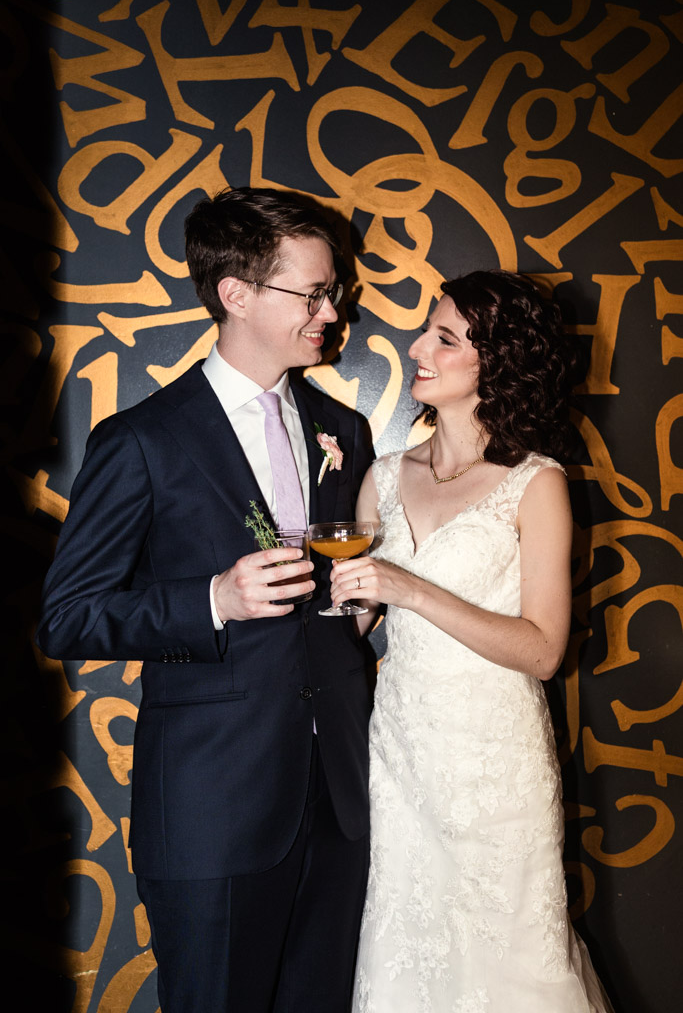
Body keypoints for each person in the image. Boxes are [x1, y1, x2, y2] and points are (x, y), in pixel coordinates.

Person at [36, 187, 375, 1013]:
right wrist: (212, 599)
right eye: (314, 292)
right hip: (212, 808)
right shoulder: (143, 439)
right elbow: (68, 615)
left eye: (331, 293)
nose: (332, 311)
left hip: (342, 800)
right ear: (237, 294)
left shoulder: (346, 429)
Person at [330, 270, 613, 1012]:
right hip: (400, 759)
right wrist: (331, 599)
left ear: (497, 364)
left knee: (510, 964)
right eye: (428, 329)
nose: (417, 346)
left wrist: (408, 589)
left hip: (495, 769)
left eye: (445, 338)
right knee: (404, 956)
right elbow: (354, 622)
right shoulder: (384, 476)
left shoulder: (536, 484)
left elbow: (543, 650)